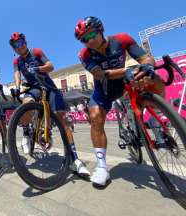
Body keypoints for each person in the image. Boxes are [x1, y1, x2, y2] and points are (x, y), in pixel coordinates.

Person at [75, 16, 165, 186]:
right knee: (95, 117)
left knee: (154, 77)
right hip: (104, 88)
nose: (89, 41)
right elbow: (100, 74)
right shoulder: (84, 54)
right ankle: (102, 167)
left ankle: (160, 117)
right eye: (84, 39)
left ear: (101, 30)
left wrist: (147, 66)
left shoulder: (122, 39)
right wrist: (126, 70)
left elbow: (145, 58)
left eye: (91, 34)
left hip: (125, 82)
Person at [9, 32, 90, 176]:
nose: (19, 46)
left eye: (21, 43)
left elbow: (50, 66)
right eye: (16, 45)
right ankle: (27, 133)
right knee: (25, 104)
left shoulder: (36, 52)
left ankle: (75, 160)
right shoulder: (17, 62)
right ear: (14, 48)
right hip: (34, 88)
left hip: (48, 86)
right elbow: (17, 74)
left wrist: (39, 69)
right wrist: (16, 86)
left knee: (62, 120)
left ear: (25, 42)